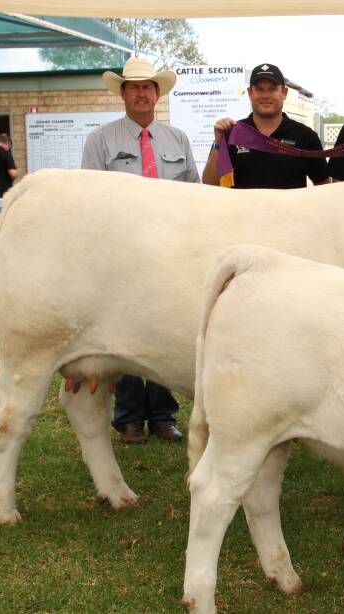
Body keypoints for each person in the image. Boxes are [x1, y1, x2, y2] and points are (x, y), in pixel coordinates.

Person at [81, 56, 199, 445]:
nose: (141, 94)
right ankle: (129, 418)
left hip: (171, 249)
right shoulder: (100, 141)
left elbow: (193, 192)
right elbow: (91, 199)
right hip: (123, 251)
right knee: (126, 330)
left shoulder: (177, 139)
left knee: (166, 328)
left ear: (157, 93)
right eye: (134, 88)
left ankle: (164, 416)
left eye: (148, 87)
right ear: (123, 94)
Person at [202, 63, 328, 189]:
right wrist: (218, 142)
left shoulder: (305, 136)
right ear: (250, 93)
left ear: (284, 92)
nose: (265, 96)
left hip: (288, 210)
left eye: (272, 89)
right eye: (259, 89)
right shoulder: (232, 133)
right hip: (241, 209)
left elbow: (323, 185)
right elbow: (210, 184)